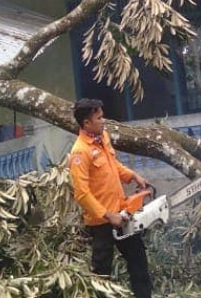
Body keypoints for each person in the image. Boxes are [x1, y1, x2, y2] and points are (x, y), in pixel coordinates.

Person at [68, 98, 153, 298]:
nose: (103, 120)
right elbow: (81, 193)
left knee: (138, 261)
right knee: (102, 272)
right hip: (101, 223)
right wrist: (107, 215)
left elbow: (114, 165)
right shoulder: (80, 152)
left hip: (121, 213)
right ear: (86, 123)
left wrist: (133, 176)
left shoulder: (103, 137)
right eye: (98, 118)